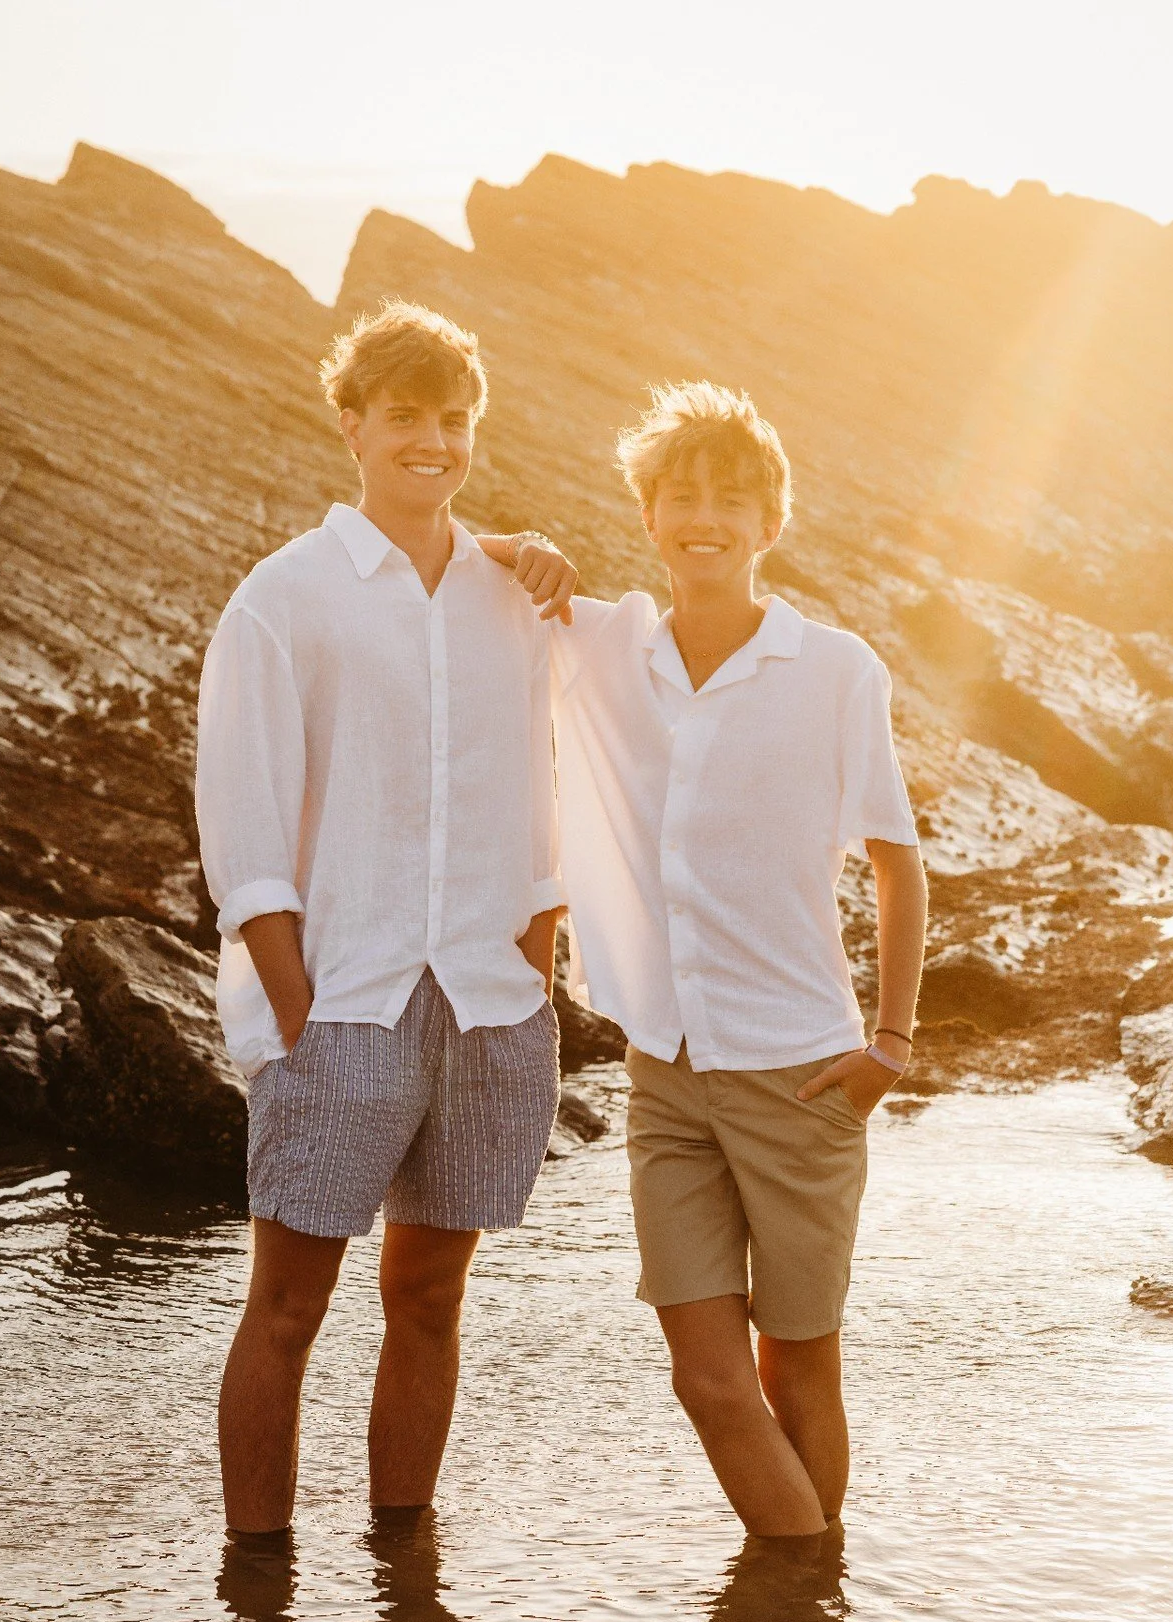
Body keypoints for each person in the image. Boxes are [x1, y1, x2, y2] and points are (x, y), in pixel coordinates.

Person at [482, 382, 928, 1537]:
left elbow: (897, 862)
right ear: (647, 514)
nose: (704, 519)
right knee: (705, 1376)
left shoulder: (836, 671)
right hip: (664, 1073)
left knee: (800, 1371)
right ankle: (806, 1601)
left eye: (731, 501)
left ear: (770, 521)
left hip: (804, 1073)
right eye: (680, 497)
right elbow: (423, 551)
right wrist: (521, 545)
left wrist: (892, 1042)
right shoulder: (601, 641)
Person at [196, 301, 575, 1539]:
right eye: (406, 416)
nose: (434, 441)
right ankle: (258, 1588)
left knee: (428, 1304)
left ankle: (403, 1572)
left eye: (455, 419)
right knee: (289, 1309)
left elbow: (550, 781)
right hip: (342, 1003)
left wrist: (537, 956)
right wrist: (293, 1003)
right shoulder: (284, 598)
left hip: (484, 1001)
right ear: (352, 423)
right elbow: (243, 822)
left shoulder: (513, 596)